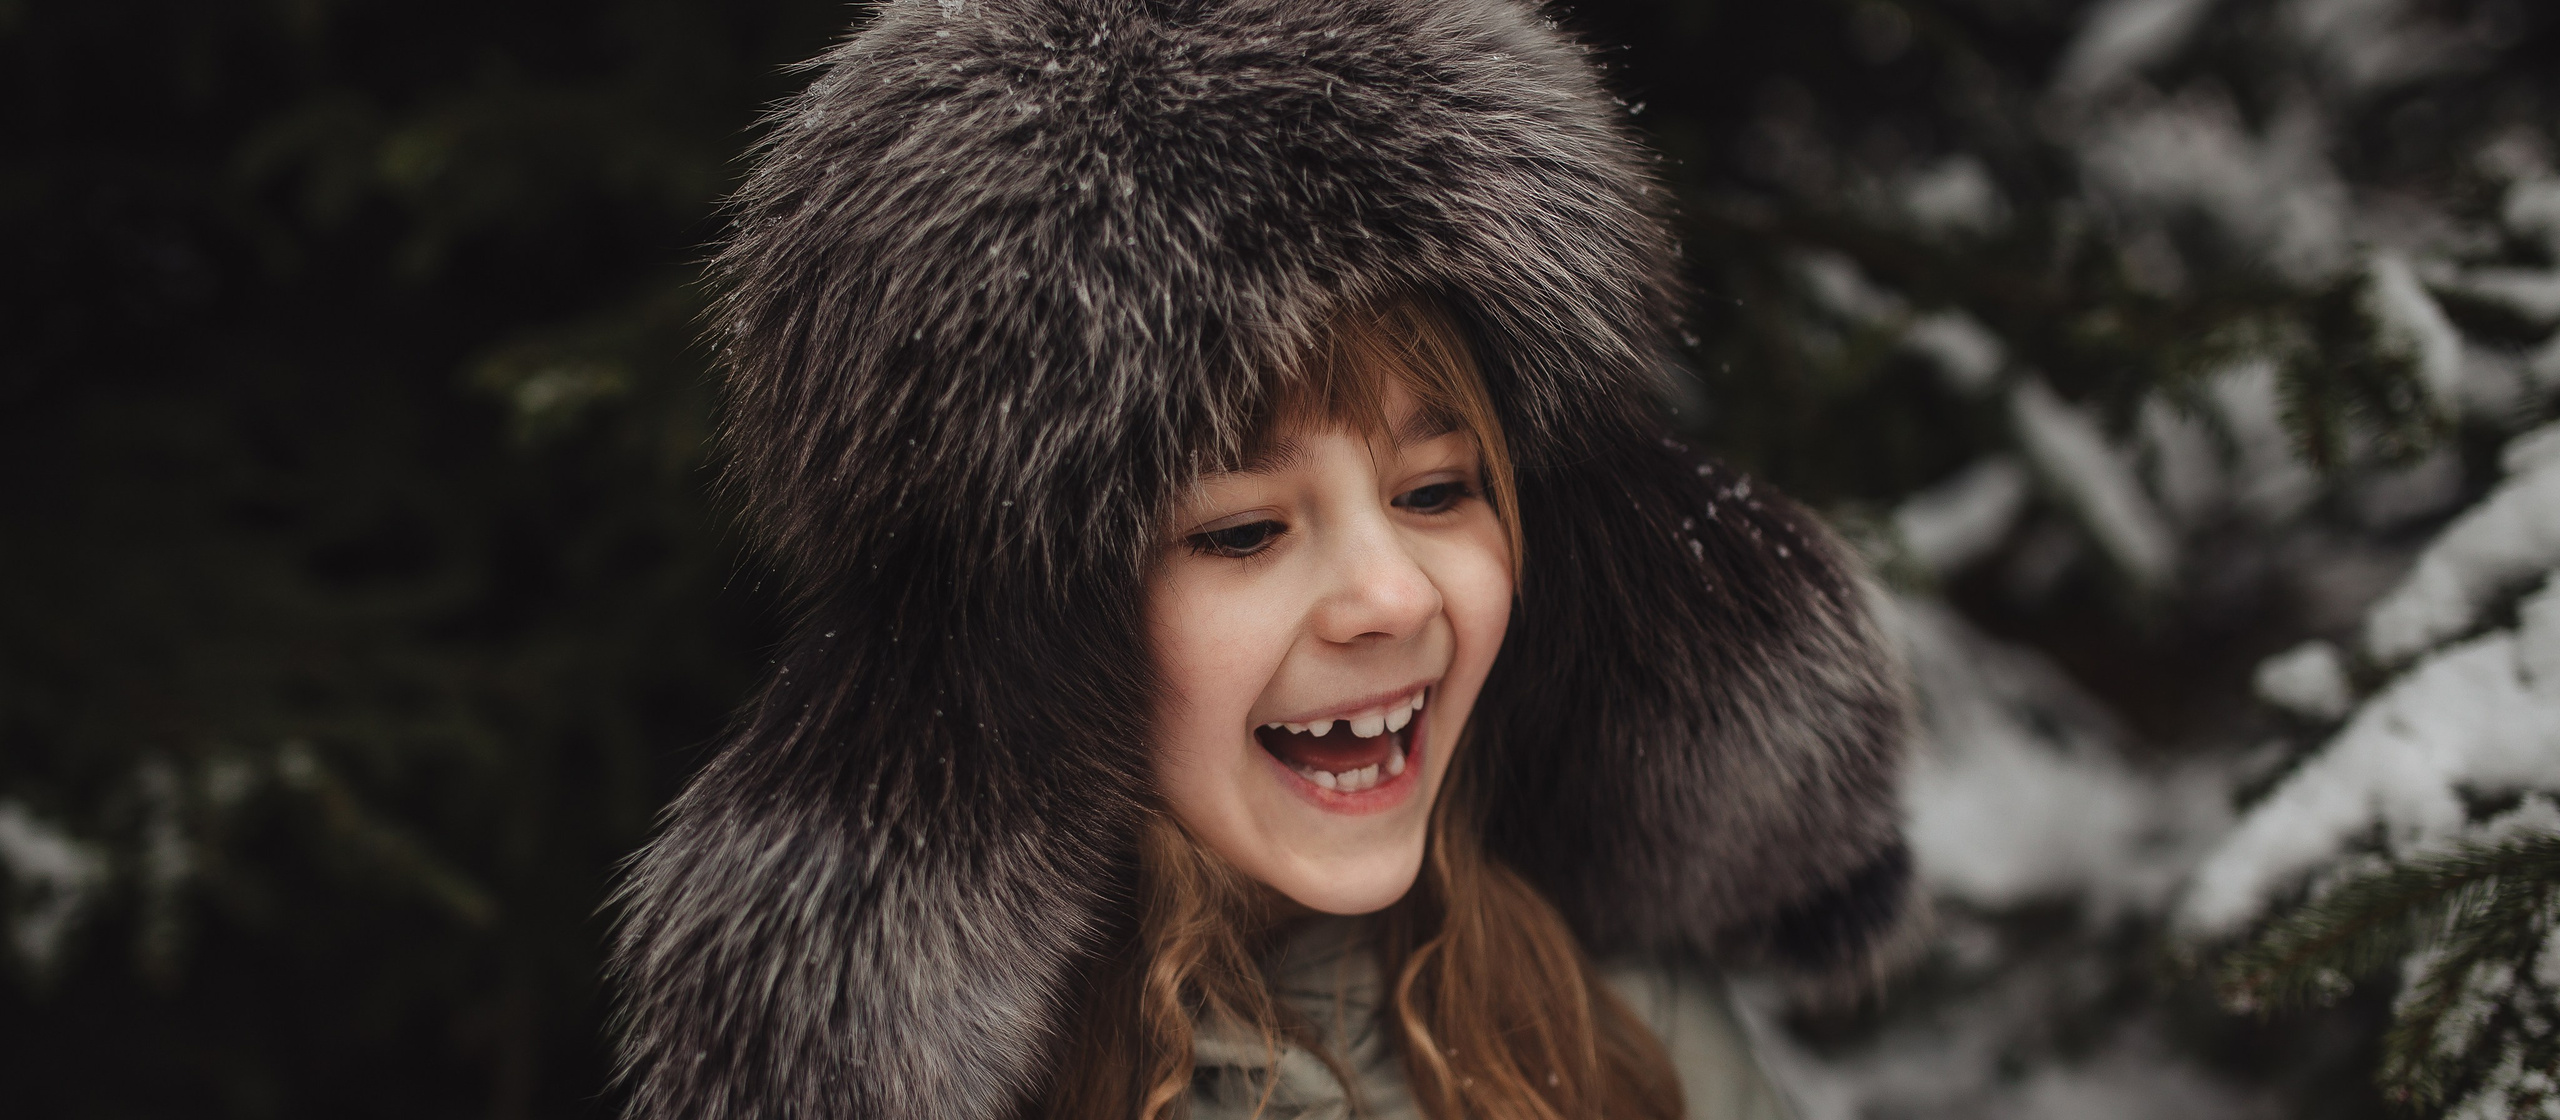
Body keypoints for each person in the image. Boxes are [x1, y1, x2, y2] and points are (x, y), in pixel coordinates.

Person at [609, 2, 1919, 1118]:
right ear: (1025, 647)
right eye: (1243, 529)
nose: (1391, 594)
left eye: (1437, 489)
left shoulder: (1613, 1018)